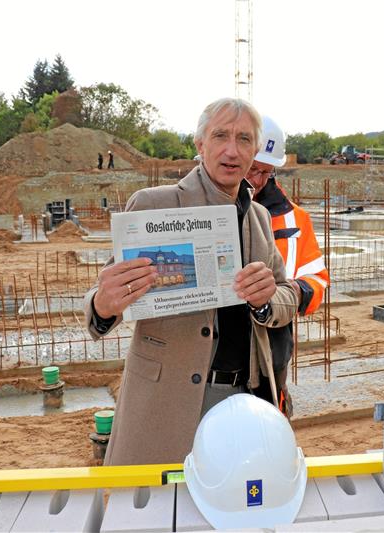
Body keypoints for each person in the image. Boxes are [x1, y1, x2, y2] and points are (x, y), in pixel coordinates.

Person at [83, 98, 299, 465]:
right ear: (200, 145)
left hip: (245, 397)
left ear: (254, 151)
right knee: (160, 511)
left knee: (232, 504)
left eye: (244, 139)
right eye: (220, 136)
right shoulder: (155, 206)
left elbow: (288, 293)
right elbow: (101, 303)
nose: (232, 150)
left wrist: (267, 300)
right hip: (168, 400)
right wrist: (104, 304)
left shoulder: (260, 218)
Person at [245, 115, 330, 416]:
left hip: (272, 352)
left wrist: (293, 291)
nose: (256, 181)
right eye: (252, 168)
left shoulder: (295, 219)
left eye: (265, 172)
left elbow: (317, 279)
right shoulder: (202, 210)